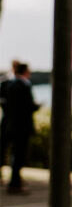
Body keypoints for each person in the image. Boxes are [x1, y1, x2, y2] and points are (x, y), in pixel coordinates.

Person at [0, 60, 39, 194]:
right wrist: (36, 106)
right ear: (25, 72)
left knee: (11, 154)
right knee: (18, 156)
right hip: (21, 126)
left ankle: (14, 182)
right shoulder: (23, 85)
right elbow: (28, 106)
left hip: (9, 124)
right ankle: (15, 184)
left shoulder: (8, 85)